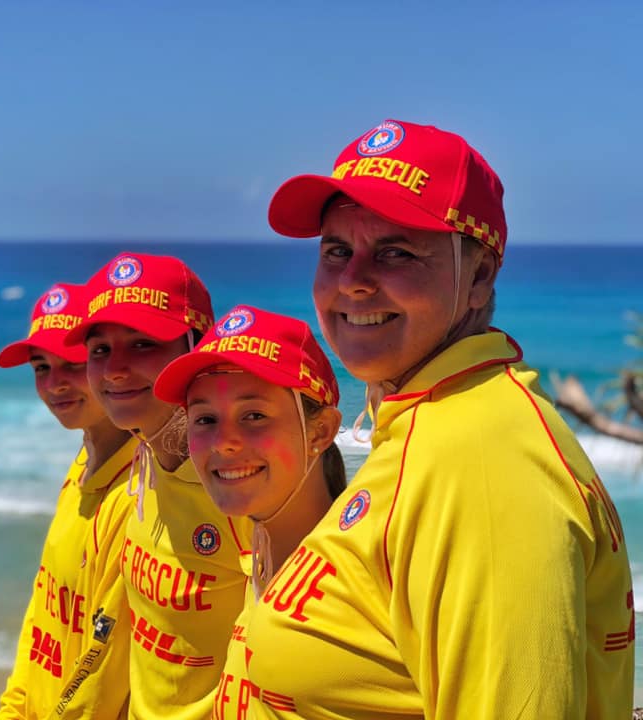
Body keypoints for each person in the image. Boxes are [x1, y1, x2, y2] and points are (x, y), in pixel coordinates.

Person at [237, 119, 635, 718]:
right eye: (337, 251)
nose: (352, 282)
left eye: (395, 252)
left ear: (478, 277)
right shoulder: (427, 421)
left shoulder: (485, 458)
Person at [64, 252, 252, 720]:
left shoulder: (242, 479)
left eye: (143, 344)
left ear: (194, 351)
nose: (114, 371)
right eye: (100, 350)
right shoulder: (144, 465)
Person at [154, 305, 347, 719]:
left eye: (254, 415)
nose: (223, 442)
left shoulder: (356, 581)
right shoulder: (259, 565)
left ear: (320, 431)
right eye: (204, 418)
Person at [0, 282, 137, 720]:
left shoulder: (139, 493)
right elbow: (41, 615)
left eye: (72, 364)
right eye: (41, 368)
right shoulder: (84, 461)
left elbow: (102, 667)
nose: (54, 385)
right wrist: (12, 709)